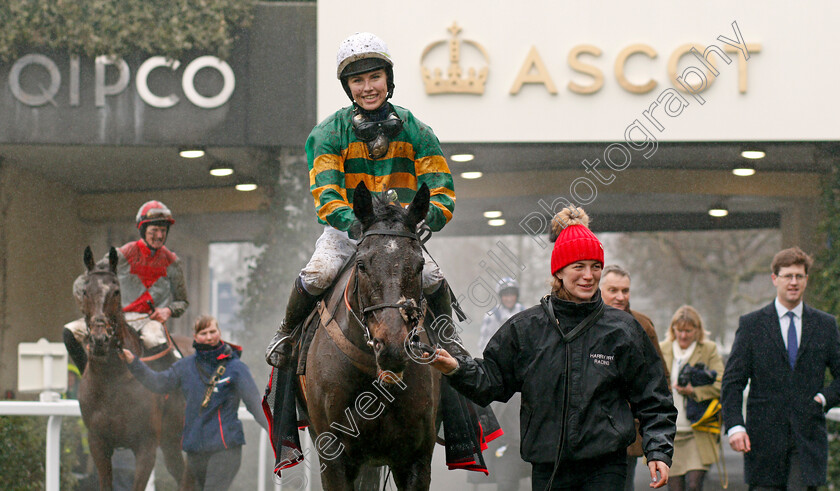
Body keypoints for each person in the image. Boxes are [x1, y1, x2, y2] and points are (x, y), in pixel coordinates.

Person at [426, 206, 676, 490]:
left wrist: (658, 449)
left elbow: (653, 397)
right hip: (548, 467)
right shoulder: (526, 329)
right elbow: (493, 381)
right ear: (559, 271)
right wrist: (457, 369)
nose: (589, 275)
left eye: (596, 266)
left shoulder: (623, 330)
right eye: (578, 267)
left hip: (606, 465)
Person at [265, 32, 460, 370]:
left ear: (389, 80)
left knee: (431, 277)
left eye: (375, 77)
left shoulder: (417, 131)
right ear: (348, 87)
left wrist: (430, 217)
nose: (368, 87)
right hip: (348, 231)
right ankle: (286, 334)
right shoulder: (327, 133)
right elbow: (326, 195)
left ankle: (449, 338)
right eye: (358, 80)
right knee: (319, 273)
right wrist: (353, 223)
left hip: (399, 234)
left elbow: (440, 186)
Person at [721, 247, 840, 490]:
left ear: (806, 280)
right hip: (763, 442)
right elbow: (733, 381)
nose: (793, 282)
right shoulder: (752, 325)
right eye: (788, 276)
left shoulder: (825, 325)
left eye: (799, 276)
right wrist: (735, 425)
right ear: (774, 279)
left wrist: (822, 399)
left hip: (806, 440)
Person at [122, 315, 268, 491]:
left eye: (213, 331)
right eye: (203, 333)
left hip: (226, 449)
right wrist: (134, 363)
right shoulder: (185, 366)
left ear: (219, 332)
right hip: (195, 452)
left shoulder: (236, 368)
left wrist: (277, 432)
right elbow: (158, 383)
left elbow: (255, 405)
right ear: (195, 336)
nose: (209, 337)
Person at [63, 200, 189, 373]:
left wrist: (168, 311)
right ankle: (87, 373)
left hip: (147, 321)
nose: (159, 236)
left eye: (163, 231)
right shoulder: (123, 253)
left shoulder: (173, 262)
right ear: (143, 230)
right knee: (69, 332)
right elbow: (82, 282)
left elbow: (182, 301)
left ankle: (166, 387)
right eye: (154, 231)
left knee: (155, 338)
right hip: (112, 318)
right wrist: (93, 313)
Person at [600, 264, 670, 490]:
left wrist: (650, 425)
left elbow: (659, 380)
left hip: (626, 427)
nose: (620, 297)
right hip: (588, 428)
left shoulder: (642, 326)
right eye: (613, 290)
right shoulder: (582, 322)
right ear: (599, 289)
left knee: (621, 484)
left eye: (625, 290)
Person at [659, 305, 723, 491]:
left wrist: (694, 391)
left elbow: (721, 383)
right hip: (670, 433)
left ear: (697, 330)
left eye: (688, 330)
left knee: (695, 485)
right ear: (673, 330)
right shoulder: (663, 349)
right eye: (679, 330)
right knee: (676, 487)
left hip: (698, 430)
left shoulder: (709, 349)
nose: (683, 335)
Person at [475, 277, 529, 491]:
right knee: (491, 412)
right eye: (505, 294)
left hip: (520, 375)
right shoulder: (491, 317)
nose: (509, 298)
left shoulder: (525, 313)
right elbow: (483, 343)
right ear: (500, 296)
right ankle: (487, 450)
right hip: (499, 373)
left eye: (511, 294)